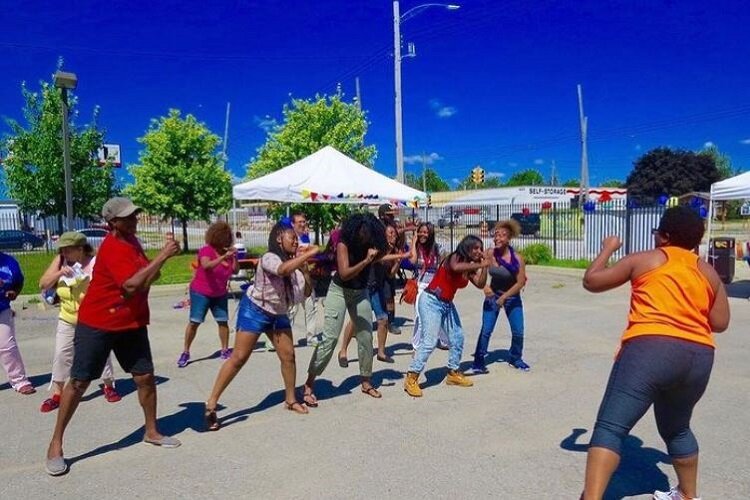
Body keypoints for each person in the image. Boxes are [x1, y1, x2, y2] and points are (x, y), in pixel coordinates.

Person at [579, 206, 729, 500]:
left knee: (610, 428)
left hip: (650, 349)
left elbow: (592, 281)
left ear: (664, 237)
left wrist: (608, 248)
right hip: (698, 357)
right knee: (677, 428)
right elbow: (720, 323)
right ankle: (687, 495)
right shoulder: (706, 270)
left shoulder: (647, 259)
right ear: (696, 242)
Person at [45, 197, 182, 476]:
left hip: (130, 321)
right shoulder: (111, 247)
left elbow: (146, 277)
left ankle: (151, 431)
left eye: (135, 215)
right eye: (128, 217)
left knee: (144, 377)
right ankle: (56, 444)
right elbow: (131, 285)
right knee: (80, 381)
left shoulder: (132, 242)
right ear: (112, 223)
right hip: (99, 321)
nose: (134, 220)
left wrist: (152, 268)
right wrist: (162, 257)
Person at [204, 221, 318, 430]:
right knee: (239, 358)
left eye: (296, 237)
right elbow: (282, 270)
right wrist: (307, 255)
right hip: (255, 309)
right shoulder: (269, 257)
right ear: (278, 239)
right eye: (291, 236)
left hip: (278, 313)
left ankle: (291, 399)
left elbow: (307, 292)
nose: (295, 240)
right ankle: (211, 404)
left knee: (289, 356)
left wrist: (305, 270)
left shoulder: (295, 267)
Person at [303, 213, 388, 405]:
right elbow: (344, 273)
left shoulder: (373, 242)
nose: (366, 236)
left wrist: (383, 249)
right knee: (330, 339)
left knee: (366, 336)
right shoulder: (343, 242)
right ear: (355, 229)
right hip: (339, 289)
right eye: (363, 232)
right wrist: (366, 261)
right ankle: (309, 383)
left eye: (369, 232)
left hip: (360, 292)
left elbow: (381, 255)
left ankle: (366, 381)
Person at [38, 232, 121, 412]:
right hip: (67, 317)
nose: (64, 253)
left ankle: (108, 386)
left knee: (100, 353)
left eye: (68, 250)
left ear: (81, 249)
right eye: (62, 250)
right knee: (61, 354)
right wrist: (60, 272)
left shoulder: (95, 262)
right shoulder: (60, 261)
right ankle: (58, 393)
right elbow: (43, 284)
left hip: (93, 317)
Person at [403, 235, 491, 397]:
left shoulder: (470, 267)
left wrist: (484, 266)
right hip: (431, 301)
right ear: (467, 248)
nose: (479, 251)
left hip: (446, 303)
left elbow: (479, 284)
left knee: (457, 337)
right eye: (475, 248)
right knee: (429, 341)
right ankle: (412, 377)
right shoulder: (454, 258)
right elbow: (456, 268)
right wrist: (482, 263)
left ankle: (453, 372)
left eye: (481, 248)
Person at [338, 223, 407, 365]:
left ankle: (381, 352)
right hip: (364, 287)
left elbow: (390, 274)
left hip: (377, 288)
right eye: (390, 233)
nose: (393, 236)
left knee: (383, 319)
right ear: (384, 234)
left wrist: (398, 262)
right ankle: (343, 351)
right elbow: (380, 259)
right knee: (355, 320)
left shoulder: (393, 250)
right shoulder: (377, 246)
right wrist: (401, 254)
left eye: (395, 234)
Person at [468, 219, 530, 374]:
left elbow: (520, 282)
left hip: (512, 296)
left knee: (518, 331)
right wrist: (485, 287)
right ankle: (479, 360)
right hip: (493, 295)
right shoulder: (489, 253)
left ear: (509, 239)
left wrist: (505, 297)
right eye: (496, 235)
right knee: (486, 330)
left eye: (502, 235)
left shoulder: (517, 258)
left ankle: (515, 358)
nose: (497, 238)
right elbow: (473, 266)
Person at [177, 222, 238, 368]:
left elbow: (235, 271)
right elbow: (206, 265)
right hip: (201, 292)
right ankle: (186, 351)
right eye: (225, 237)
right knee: (195, 321)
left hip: (220, 293)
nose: (227, 240)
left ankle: (224, 349)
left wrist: (234, 257)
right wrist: (223, 257)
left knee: (222, 321)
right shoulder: (206, 250)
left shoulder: (228, 254)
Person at [408, 222, 449, 351]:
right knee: (420, 316)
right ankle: (416, 344)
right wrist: (414, 243)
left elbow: (443, 266)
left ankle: (443, 340)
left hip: (434, 285)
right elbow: (412, 261)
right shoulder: (416, 248)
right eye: (420, 232)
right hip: (420, 285)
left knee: (439, 314)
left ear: (430, 234)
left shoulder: (437, 248)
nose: (422, 235)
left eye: (425, 232)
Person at [0, 250, 34, 395]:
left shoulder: (9, 262)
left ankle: (19, 380)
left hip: (2, 308)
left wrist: (14, 292)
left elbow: (18, 282)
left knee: (7, 346)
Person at [290, 212, 321, 347]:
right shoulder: (289, 238)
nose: (303, 224)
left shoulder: (304, 238)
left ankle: (311, 336)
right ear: (293, 224)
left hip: (305, 274)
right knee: (291, 309)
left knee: (310, 304)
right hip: (293, 276)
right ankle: (281, 338)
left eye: (304, 221)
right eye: (300, 222)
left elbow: (315, 249)